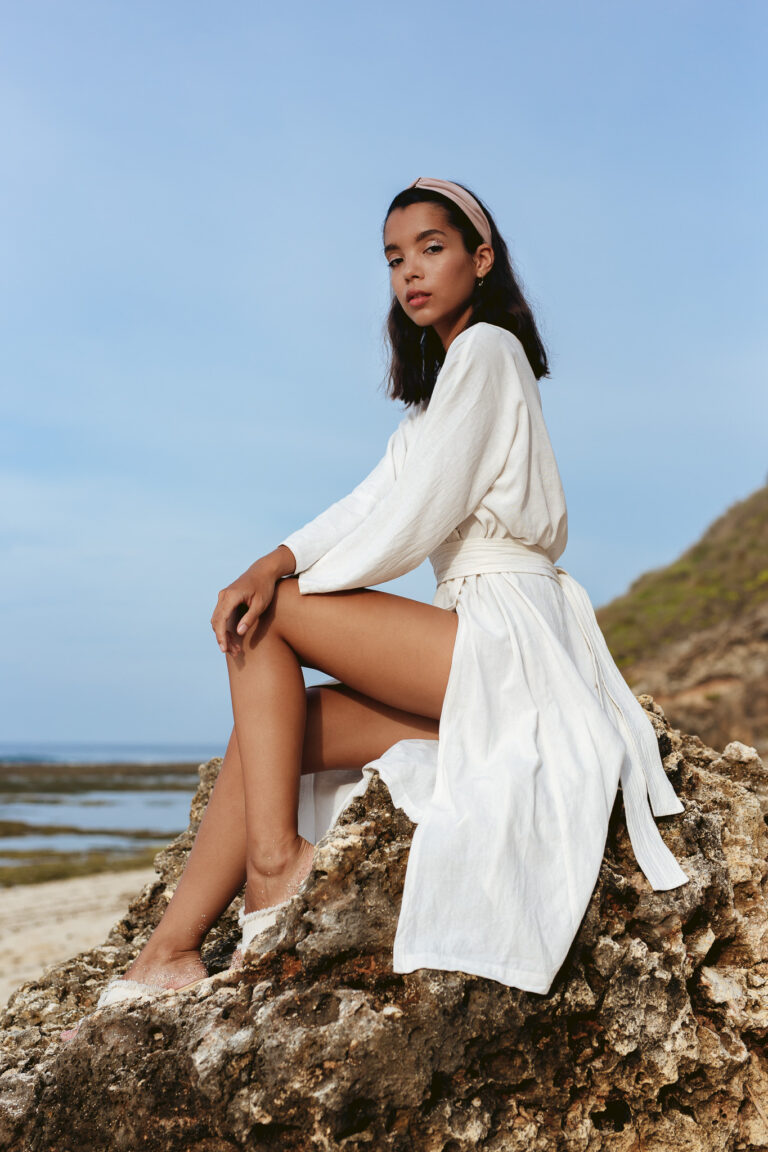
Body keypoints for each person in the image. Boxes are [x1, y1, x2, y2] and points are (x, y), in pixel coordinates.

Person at [61, 177, 688, 1041]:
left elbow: (412, 516)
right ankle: (169, 950)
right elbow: (370, 501)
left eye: (431, 249)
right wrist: (273, 558)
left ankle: (275, 867)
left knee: (268, 619)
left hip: (508, 634)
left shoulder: (489, 352)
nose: (410, 273)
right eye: (395, 258)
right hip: (480, 647)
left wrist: (280, 589)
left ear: (481, 256)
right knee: (281, 727)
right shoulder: (436, 397)